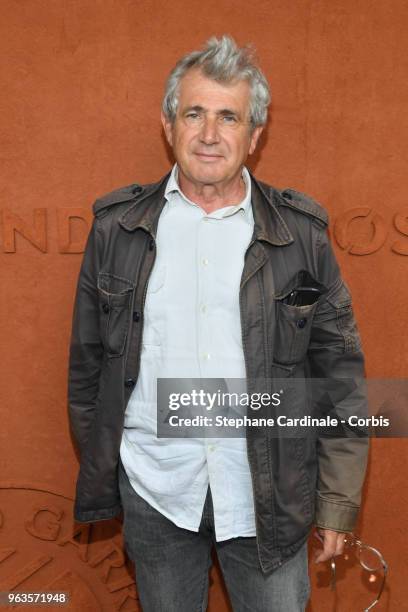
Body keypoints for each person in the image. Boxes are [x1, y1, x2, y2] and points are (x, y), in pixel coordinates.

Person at [67, 35, 369, 611]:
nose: (209, 135)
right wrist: (124, 460)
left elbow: (339, 378)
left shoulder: (301, 236)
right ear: (167, 124)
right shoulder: (116, 231)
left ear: (255, 135)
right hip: (157, 491)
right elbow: (87, 375)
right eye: (194, 114)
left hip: (268, 498)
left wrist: (336, 501)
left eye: (229, 117)